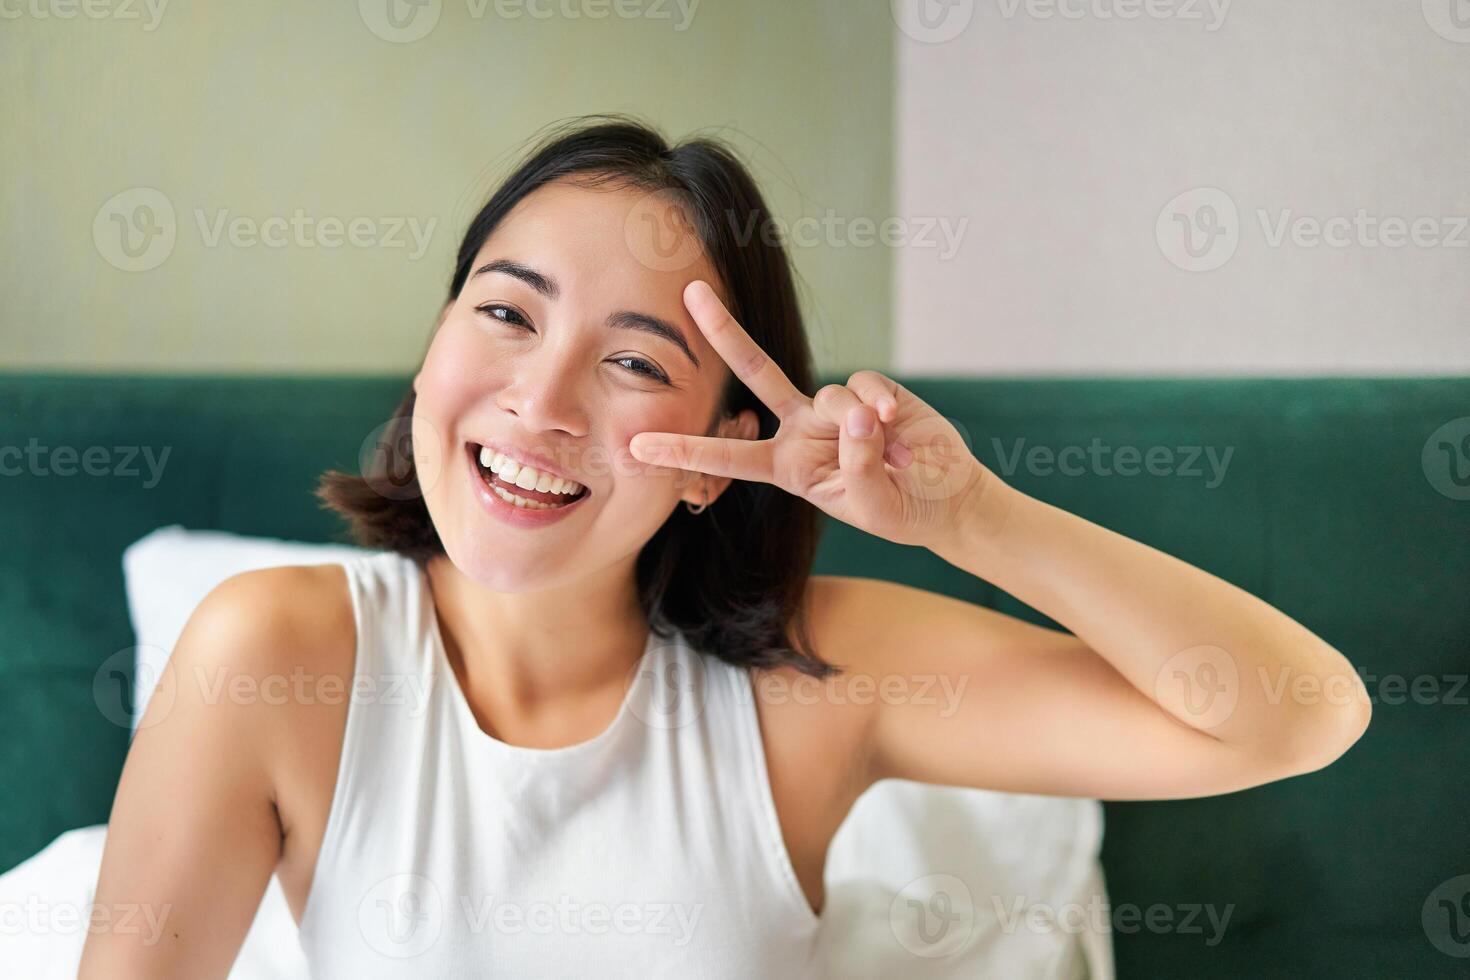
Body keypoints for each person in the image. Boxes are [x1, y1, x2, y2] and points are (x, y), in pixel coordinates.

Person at [80, 116, 1371, 978]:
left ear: (722, 444)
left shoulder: (810, 680)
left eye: (635, 360)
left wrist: (969, 520)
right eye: (505, 315)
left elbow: (1290, 719)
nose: (541, 402)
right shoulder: (278, 652)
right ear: (432, 353)